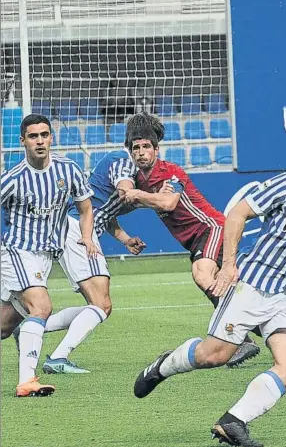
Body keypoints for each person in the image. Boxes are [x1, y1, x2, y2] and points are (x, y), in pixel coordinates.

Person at [133, 138, 286, 447]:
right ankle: (164, 365)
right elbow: (237, 214)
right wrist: (229, 265)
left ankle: (232, 422)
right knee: (213, 356)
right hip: (252, 284)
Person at [121, 116, 260, 366]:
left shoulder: (171, 172)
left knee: (202, 273)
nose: (141, 153)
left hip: (212, 227)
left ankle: (239, 338)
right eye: (136, 148)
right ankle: (259, 330)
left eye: (146, 147)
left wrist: (139, 195)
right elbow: (130, 199)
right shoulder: (137, 179)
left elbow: (168, 202)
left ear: (156, 149)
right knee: (223, 286)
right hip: (196, 239)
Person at [38, 113, 150, 374]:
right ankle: (57, 358)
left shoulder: (121, 164)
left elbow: (105, 212)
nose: (142, 152)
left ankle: (31, 329)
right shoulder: (122, 161)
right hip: (77, 230)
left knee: (100, 306)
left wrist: (125, 239)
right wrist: (158, 199)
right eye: (139, 146)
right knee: (101, 304)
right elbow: (125, 191)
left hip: (77, 229)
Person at [0, 114, 97, 396]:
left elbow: (86, 208)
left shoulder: (68, 170)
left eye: (44, 135)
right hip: (16, 251)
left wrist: (87, 237)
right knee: (41, 307)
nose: (40, 141)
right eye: (33, 136)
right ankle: (27, 381)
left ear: (51, 137)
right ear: (23, 141)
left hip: (44, 257)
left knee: (5, 326)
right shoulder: (13, 178)